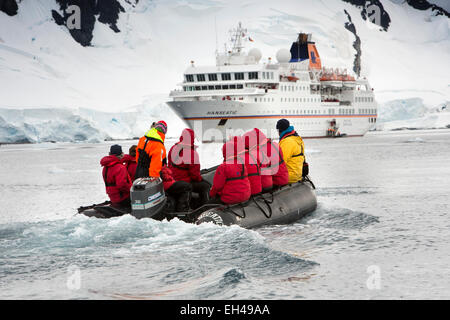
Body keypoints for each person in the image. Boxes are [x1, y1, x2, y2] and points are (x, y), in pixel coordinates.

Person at [168, 128, 210, 207]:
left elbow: (169, 164)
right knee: (206, 186)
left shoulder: (173, 148)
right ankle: (205, 207)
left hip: (173, 181)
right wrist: (201, 179)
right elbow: (195, 175)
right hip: (184, 182)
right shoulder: (192, 153)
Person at [209, 137, 251, 205]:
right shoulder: (242, 164)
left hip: (230, 199)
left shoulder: (223, 167)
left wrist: (210, 194)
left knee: (208, 204)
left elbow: (217, 186)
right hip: (245, 196)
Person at [276, 119, 305, 183]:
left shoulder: (287, 142)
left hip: (289, 177)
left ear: (280, 130)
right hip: (297, 174)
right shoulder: (297, 138)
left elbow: (281, 162)